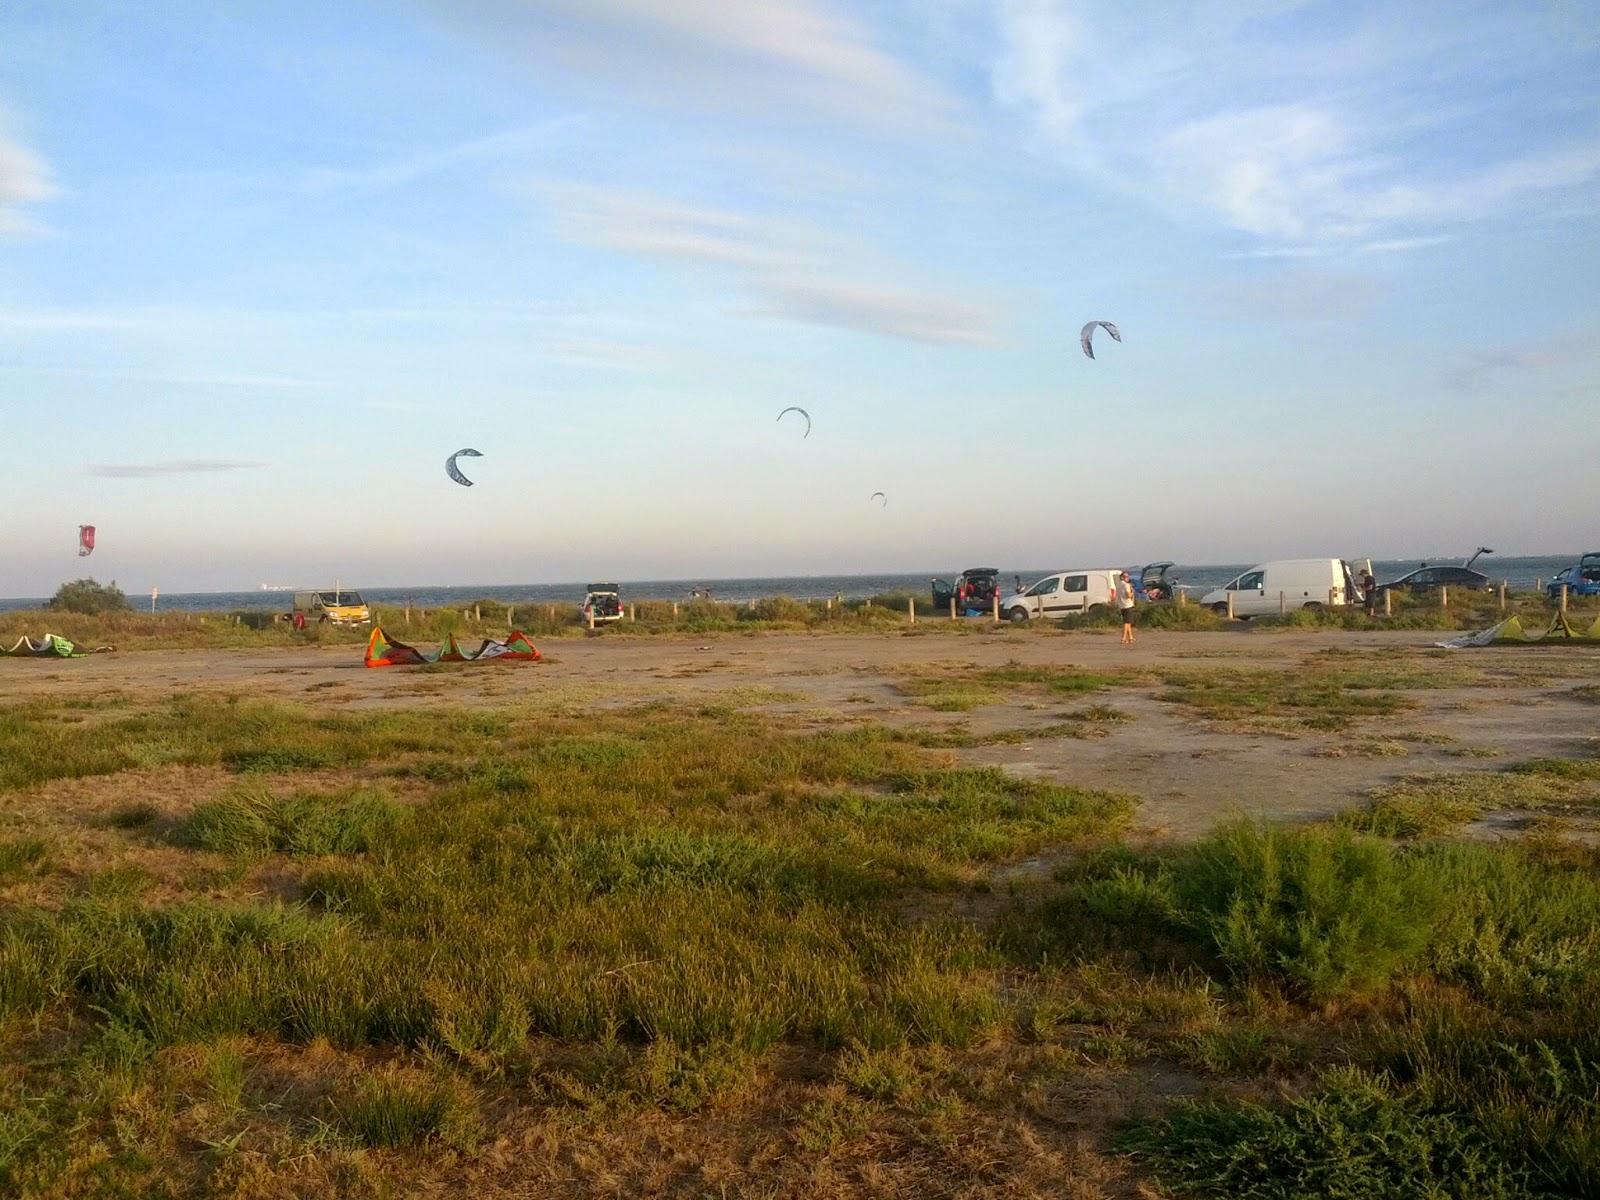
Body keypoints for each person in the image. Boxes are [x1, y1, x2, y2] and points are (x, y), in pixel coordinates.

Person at [1116, 571, 1137, 645]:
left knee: (1128, 622)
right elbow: (1128, 595)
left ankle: (1131, 637)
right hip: (1128, 605)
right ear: (1122, 577)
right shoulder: (1126, 585)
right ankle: (1123, 638)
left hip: (1121, 605)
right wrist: (1132, 592)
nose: (1127, 578)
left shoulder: (1118, 585)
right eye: (1126, 576)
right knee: (1127, 623)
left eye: (1128, 576)